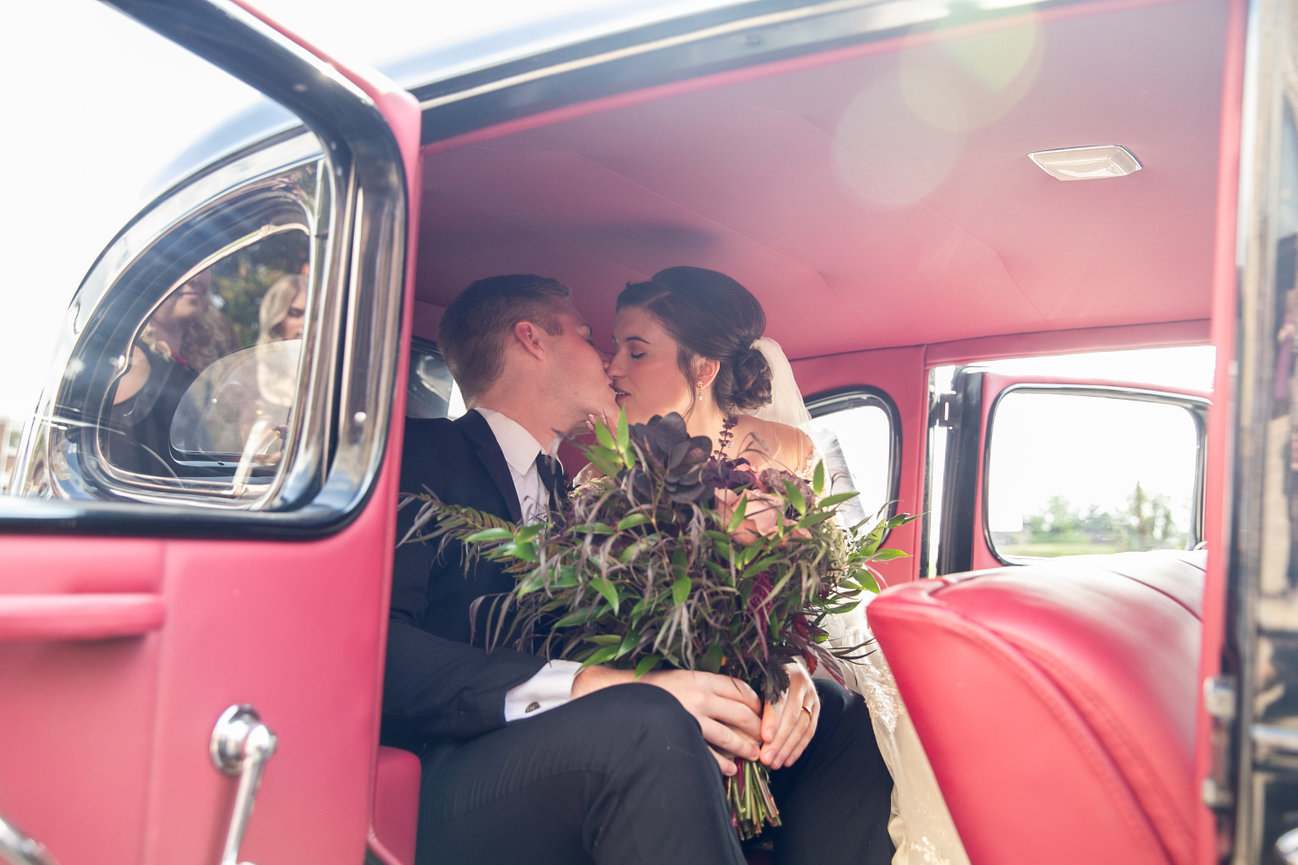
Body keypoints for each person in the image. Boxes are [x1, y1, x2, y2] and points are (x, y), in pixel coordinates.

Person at [606, 265, 896, 863]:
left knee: (846, 724)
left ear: (704, 369)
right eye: (615, 350)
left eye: (635, 351)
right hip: (663, 699)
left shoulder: (791, 449)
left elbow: (826, 584)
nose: (612, 367)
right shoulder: (603, 470)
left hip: (769, 684)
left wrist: (793, 674)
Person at [107, 268, 234, 473]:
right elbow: (122, 461)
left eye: (203, 266)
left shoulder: (191, 366)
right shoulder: (135, 362)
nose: (194, 278)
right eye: (184, 266)